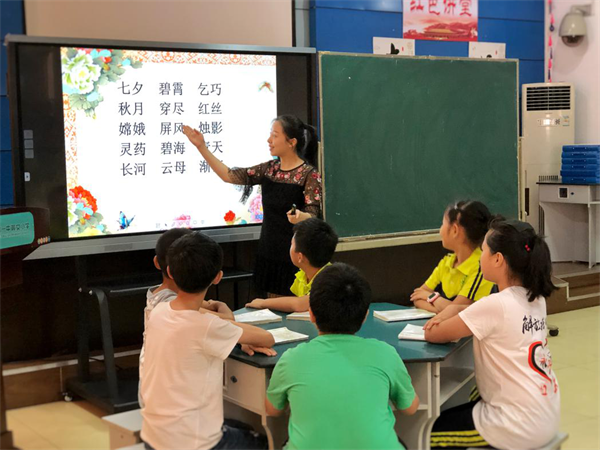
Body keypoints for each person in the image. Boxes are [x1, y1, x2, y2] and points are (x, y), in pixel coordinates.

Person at [424, 219, 560, 449]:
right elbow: (488, 315)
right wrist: (458, 309)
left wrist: (448, 312)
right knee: (473, 393)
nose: (480, 257)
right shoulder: (535, 298)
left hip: (517, 426)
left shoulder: (495, 305)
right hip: (545, 413)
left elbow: (433, 334)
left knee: (428, 434)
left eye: (484, 250)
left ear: (498, 259)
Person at [140, 232, 276, 450]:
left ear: (170, 271)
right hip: (195, 445)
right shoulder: (207, 327)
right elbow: (266, 338)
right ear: (218, 277)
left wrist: (233, 334)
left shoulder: (159, 311)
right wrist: (236, 332)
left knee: (238, 425)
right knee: (264, 442)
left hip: (153, 439)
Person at [265, 263, 419, 449]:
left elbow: (272, 410)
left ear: (311, 314)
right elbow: (410, 408)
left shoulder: (291, 359)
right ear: (365, 316)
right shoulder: (386, 353)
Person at [183, 115, 322, 296]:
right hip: (267, 253)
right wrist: (201, 146)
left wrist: (301, 217)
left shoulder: (309, 174)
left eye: (275, 135)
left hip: (295, 257)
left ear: (291, 142)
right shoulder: (269, 169)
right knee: (264, 306)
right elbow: (229, 175)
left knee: (291, 306)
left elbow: (313, 214)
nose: (269, 140)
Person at [138, 228, 233, 407]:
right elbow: (227, 321)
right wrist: (223, 307)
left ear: (157, 263)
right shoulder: (173, 308)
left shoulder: (157, 296)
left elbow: (205, 307)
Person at [410, 200, 494, 313]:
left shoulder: (481, 267)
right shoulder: (447, 262)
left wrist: (431, 297)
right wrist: (441, 306)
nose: (440, 231)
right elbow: (417, 297)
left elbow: (457, 312)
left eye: (443, 224)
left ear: (454, 230)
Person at [245, 218, 338, 312]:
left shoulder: (330, 278)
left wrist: (263, 303)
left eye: (292, 244)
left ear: (300, 257)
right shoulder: (304, 274)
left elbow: (300, 304)